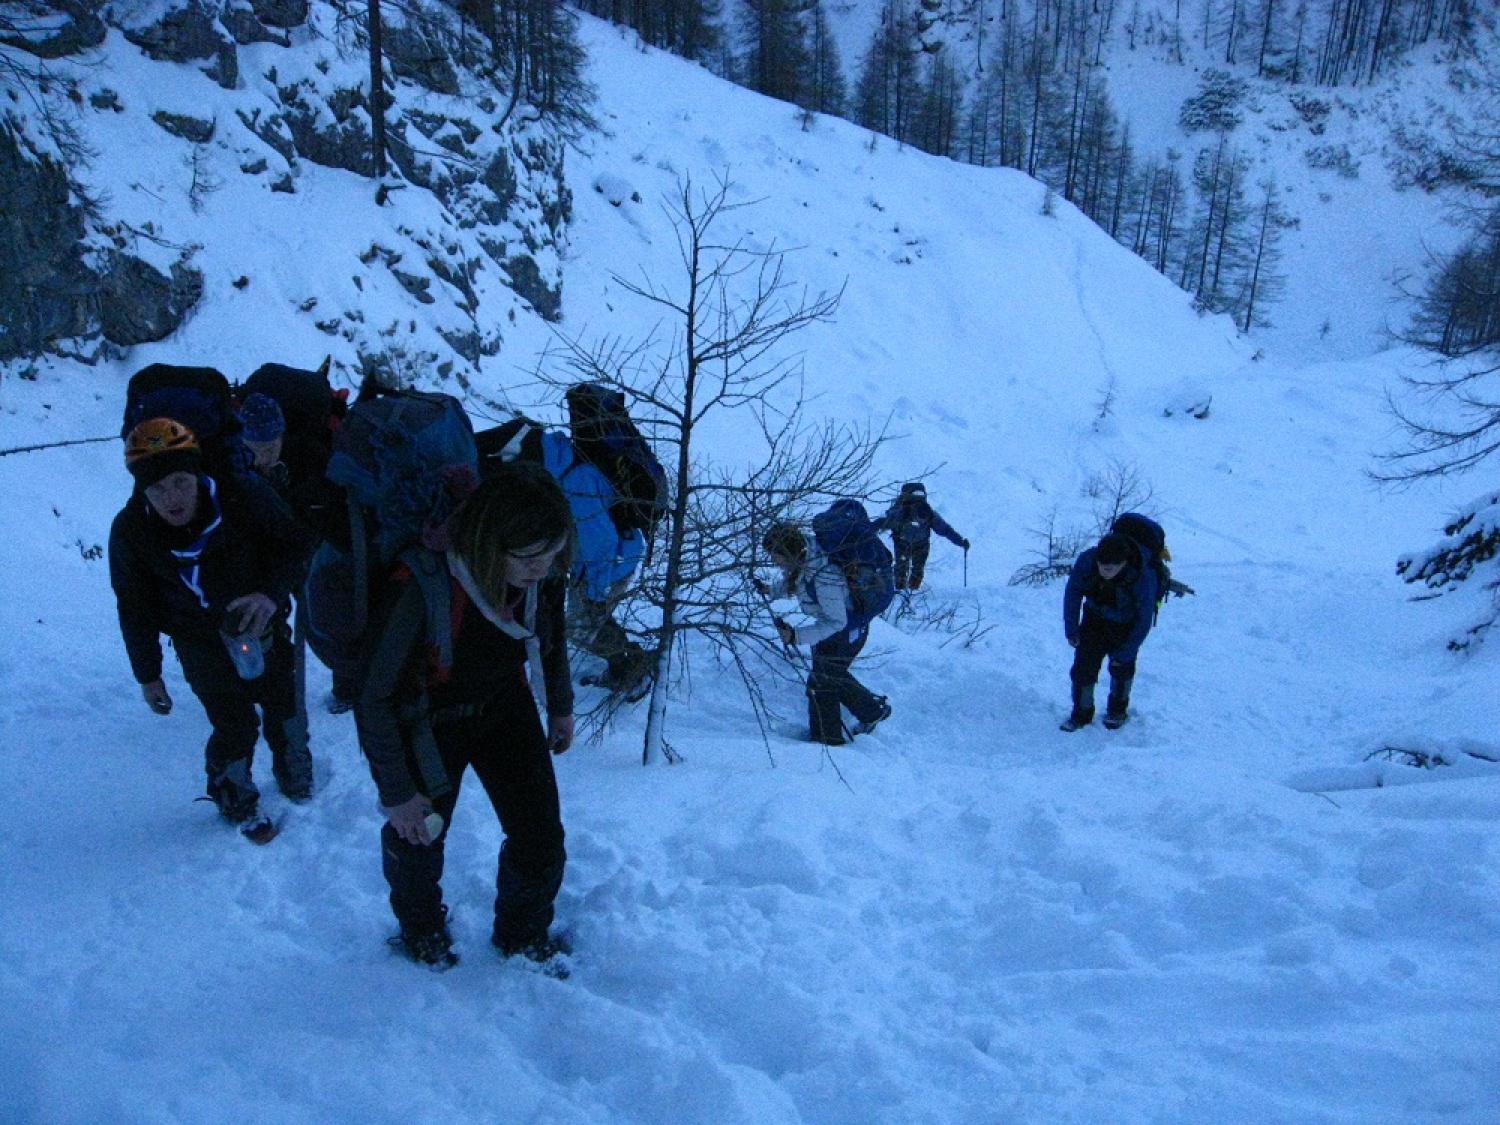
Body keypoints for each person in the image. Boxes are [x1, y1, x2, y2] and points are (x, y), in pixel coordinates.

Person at [354, 461, 577, 971]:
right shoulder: (422, 584)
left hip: (505, 707)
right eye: (528, 557)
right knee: (417, 834)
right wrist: (396, 791)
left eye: (552, 552)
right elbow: (373, 696)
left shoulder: (539, 571)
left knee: (540, 834)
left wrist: (560, 706)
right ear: (488, 542)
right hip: (430, 721)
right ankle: (421, 931)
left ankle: (522, 934)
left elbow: (549, 634)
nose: (542, 566)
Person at [108, 417, 315, 825]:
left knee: (284, 701)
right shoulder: (133, 531)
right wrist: (148, 675)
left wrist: (269, 595)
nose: (172, 499)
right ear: (141, 489)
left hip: (263, 626)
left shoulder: (242, 496)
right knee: (232, 721)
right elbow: (134, 607)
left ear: (197, 473)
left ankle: (294, 767)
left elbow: (295, 545)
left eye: (180, 482)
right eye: (157, 489)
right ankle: (232, 790)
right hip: (198, 641)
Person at [760, 522, 892, 747]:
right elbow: (797, 582)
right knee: (828, 675)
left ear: (789, 553)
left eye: (776, 556)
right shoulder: (808, 556)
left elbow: (836, 622)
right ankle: (871, 712)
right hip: (840, 630)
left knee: (822, 682)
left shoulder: (824, 577)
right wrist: (771, 590)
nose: (774, 562)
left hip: (847, 632)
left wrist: (796, 636)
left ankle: (828, 743)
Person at [1060, 531, 1158, 731]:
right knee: (1083, 668)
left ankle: (1117, 711)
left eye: (1111, 568)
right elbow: (1073, 592)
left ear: (1123, 563)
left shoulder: (1142, 576)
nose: (1105, 571)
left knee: (1121, 667)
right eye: (1102, 566)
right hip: (1094, 619)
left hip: (1126, 625)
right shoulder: (1087, 561)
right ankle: (1081, 713)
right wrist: (1071, 628)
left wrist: (1126, 652)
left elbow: (1143, 621)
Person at [874, 482, 969, 591]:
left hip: (902, 543)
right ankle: (912, 590)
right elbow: (945, 529)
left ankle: (900, 590)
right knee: (917, 568)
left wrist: (866, 531)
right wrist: (960, 541)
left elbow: (883, 522)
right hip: (922, 544)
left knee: (901, 567)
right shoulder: (928, 512)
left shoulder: (900, 512)